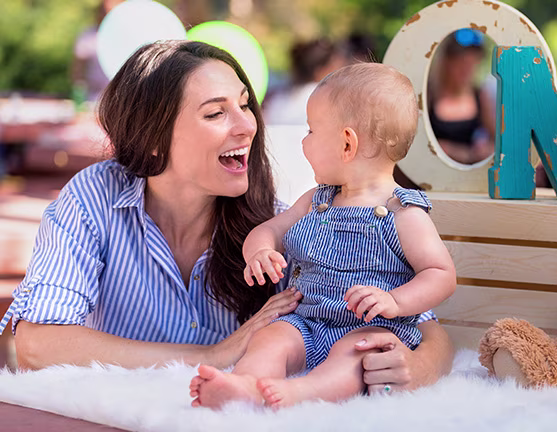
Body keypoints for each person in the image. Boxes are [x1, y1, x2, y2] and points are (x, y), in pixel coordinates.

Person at [0, 41, 453, 396]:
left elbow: (426, 326)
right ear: (153, 139)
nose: (247, 125)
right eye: (216, 113)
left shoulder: (286, 227)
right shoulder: (94, 197)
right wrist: (212, 355)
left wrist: (418, 366)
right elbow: (33, 343)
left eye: (244, 104)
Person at [189, 63, 457, 409]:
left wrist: (395, 302)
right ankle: (244, 385)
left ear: (347, 144)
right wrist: (261, 251)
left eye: (311, 131)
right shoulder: (317, 200)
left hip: (370, 327)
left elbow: (441, 274)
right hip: (306, 321)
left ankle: (299, 393)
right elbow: (271, 228)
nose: (304, 141)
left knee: (358, 354)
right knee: (272, 338)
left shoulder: (404, 214)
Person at [428, 29, 496, 165]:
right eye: (461, 62)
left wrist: (481, 151)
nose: (466, 69)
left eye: (473, 62)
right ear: (446, 61)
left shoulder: (480, 96)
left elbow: (498, 143)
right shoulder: (428, 96)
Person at [262, 38, 346, 125]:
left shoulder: (276, 97)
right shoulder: (326, 98)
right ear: (320, 70)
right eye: (337, 69)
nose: (341, 75)